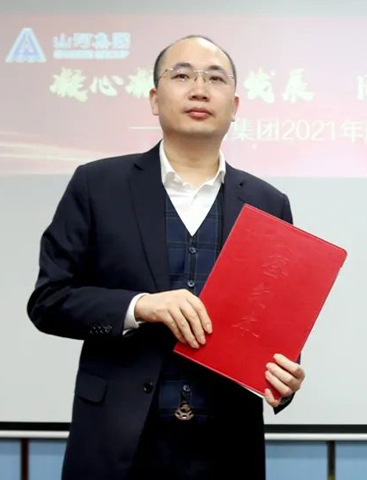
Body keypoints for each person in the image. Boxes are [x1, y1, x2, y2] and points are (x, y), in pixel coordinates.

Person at [27, 35, 304, 480]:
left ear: (235, 106)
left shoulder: (268, 203)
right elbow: (49, 301)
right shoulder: (97, 185)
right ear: (155, 99)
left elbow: (275, 332)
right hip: (117, 444)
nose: (199, 89)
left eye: (215, 79)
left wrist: (283, 381)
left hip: (227, 448)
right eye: (182, 75)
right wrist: (140, 306)